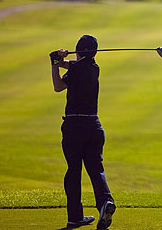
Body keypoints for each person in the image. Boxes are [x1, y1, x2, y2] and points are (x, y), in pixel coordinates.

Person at [50, 34, 116, 229]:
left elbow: (58, 86)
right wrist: (61, 60)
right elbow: (74, 65)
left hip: (74, 127)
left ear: (78, 50)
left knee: (74, 172)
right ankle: (105, 203)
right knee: (96, 169)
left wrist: (54, 63)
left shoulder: (77, 68)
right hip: (94, 127)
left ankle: (75, 217)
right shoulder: (94, 68)